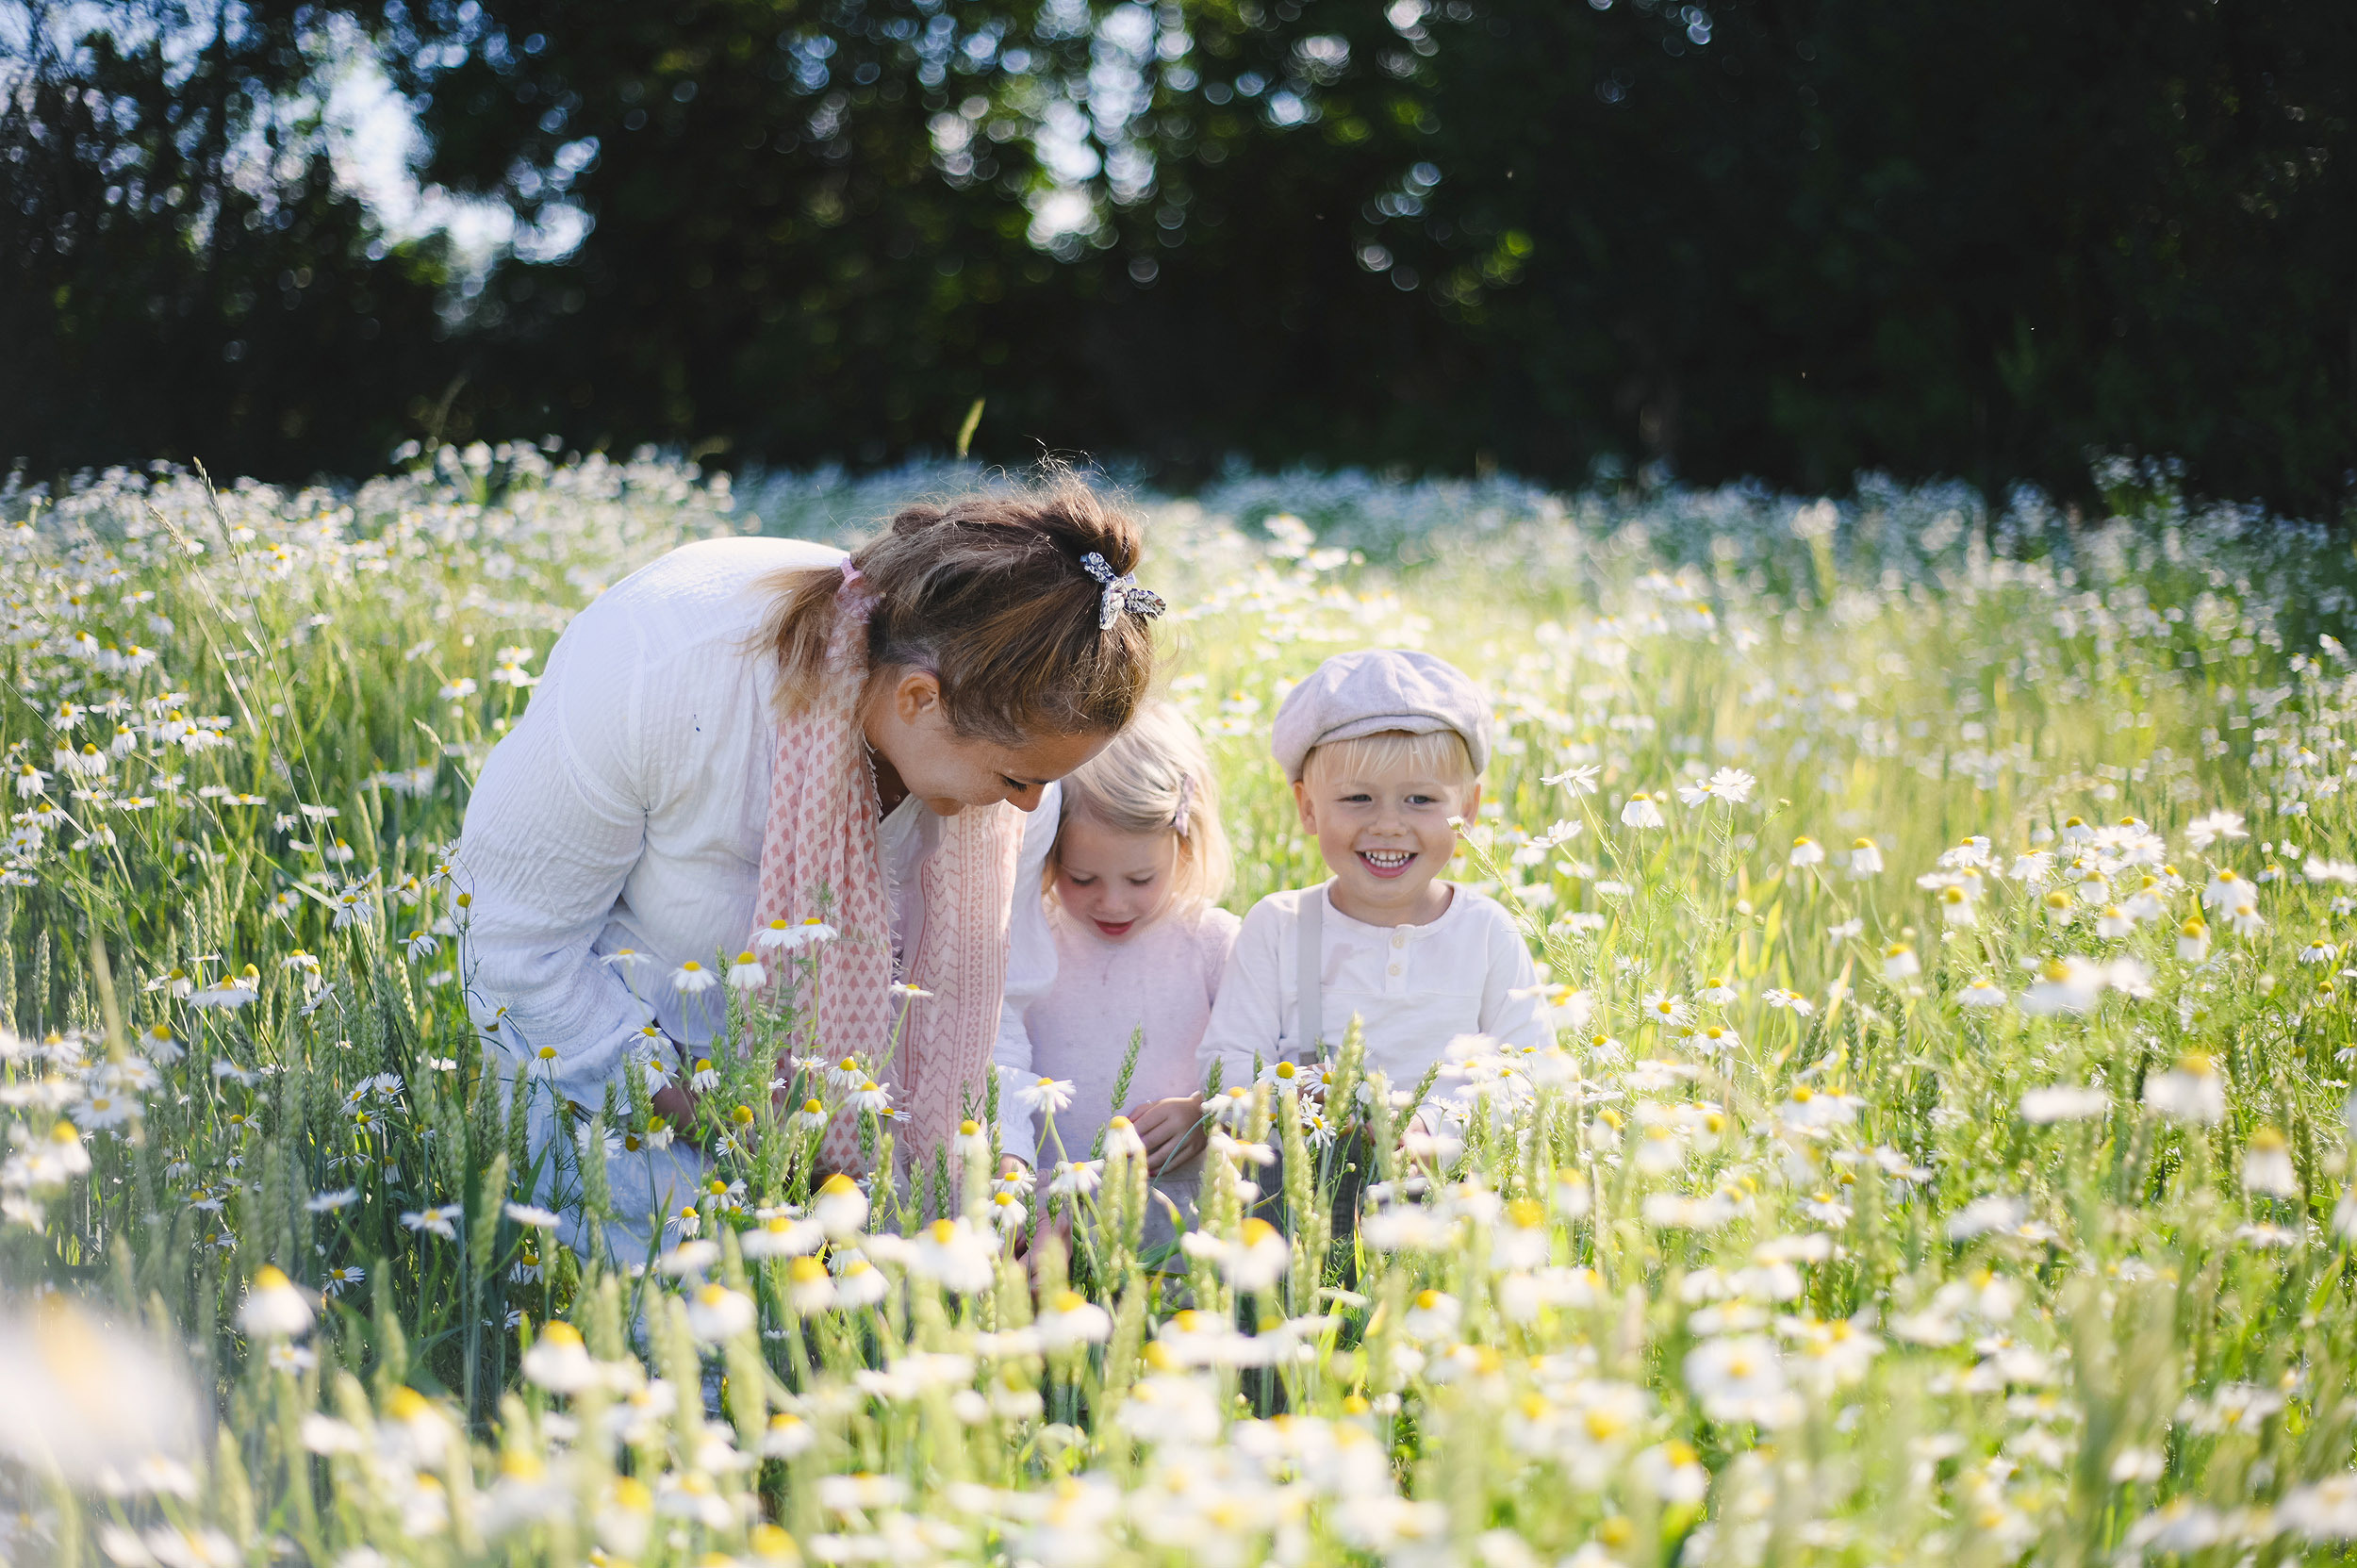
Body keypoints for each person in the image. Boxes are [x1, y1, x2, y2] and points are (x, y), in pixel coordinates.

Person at [451, 474, 1161, 1259]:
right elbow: (513, 951)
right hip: (613, 1092)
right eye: (1017, 779)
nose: (1028, 811)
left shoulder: (1016, 791)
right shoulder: (659, 666)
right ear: (921, 699)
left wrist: (1004, 1184)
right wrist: (727, 1126)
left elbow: (986, 1017)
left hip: (840, 1149)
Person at [1196, 648, 1552, 1138]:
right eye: (1357, 798)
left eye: (1421, 799)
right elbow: (1227, 1065)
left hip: (1446, 1193)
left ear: (1467, 810)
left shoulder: (1486, 932)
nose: (1388, 825)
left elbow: (1529, 1073)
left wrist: (1430, 1130)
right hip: (1303, 1194)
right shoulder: (1280, 927)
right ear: (1308, 808)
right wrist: (1289, 1102)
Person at [1005, 703, 1239, 1251]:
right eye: (1081, 877)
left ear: (1184, 845)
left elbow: (1264, 1067)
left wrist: (1203, 1114)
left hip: (1176, 1219)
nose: (1112, 903)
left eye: (1140, 878)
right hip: (1052, 1213)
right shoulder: (1033, 941)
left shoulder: (1211, 944)